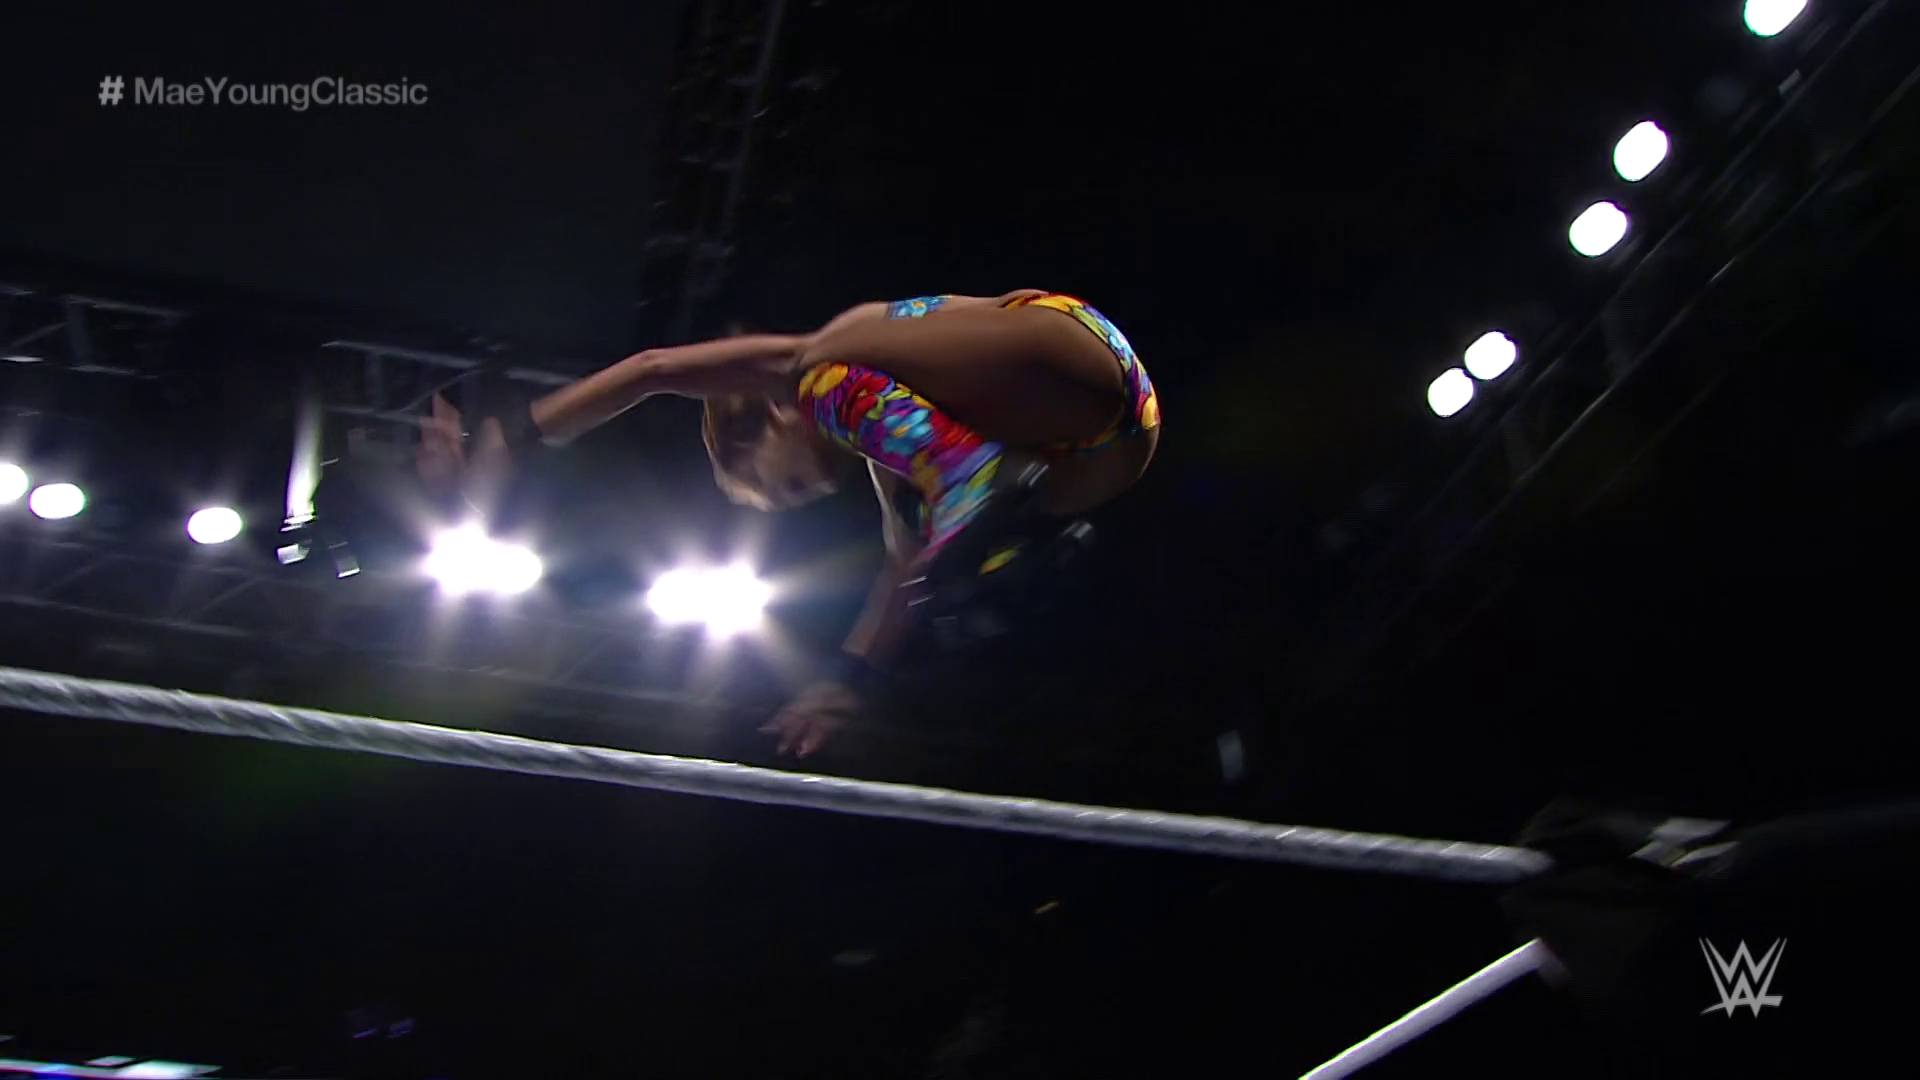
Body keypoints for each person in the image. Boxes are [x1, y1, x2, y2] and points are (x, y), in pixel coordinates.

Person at [420, 290, 1160, 757]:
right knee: (919, 549)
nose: (808, 494)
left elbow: (654, 368)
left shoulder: (818, 368)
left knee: (821, 375)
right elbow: (898, 570)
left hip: (1066, 346)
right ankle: (1012, 542)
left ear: (768, 422)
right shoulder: (898, 452)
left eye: (788, 483)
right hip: (1103, 445)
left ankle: (991, 507)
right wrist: (844, 683)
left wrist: (514, 434)